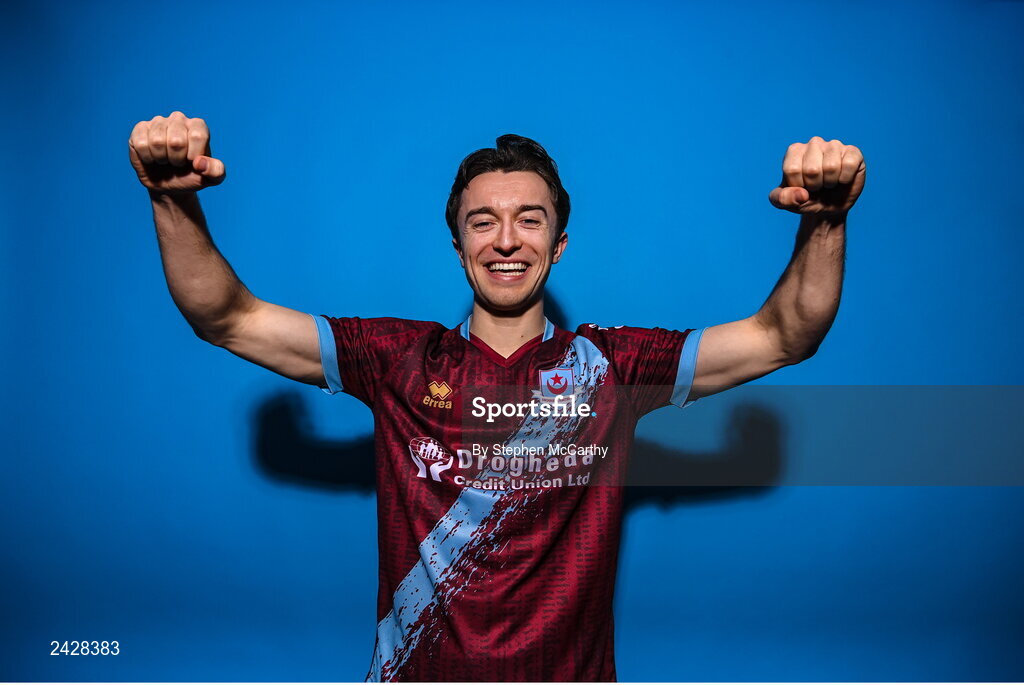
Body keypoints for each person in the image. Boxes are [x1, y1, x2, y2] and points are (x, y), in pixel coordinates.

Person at [128, 111, 865, 682]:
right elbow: (224, 313)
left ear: (560, 243)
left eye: (529, 219)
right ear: (457, 243)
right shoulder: (396, 359)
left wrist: (824, 216)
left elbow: (784, 333)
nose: (505, 240)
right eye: (483, 221)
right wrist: (170, 197)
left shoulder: (612, 367)